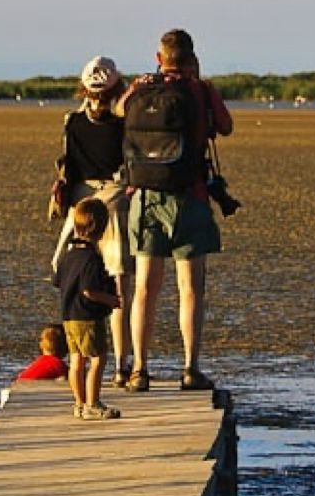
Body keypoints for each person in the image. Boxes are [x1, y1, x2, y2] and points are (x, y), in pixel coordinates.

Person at [119, 28, 233, 393]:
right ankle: (189, 368)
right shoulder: (201, 91)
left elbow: (119, 110)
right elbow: (226, 127)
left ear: (159, 58)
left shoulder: (140, 89)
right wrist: (200, 85)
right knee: (190, 290)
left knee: (144, 290)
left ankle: (139, 369)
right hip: (190, 197)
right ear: (191, 58)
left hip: (145, 197)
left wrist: (140, 85)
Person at [49, 55, 134, 387]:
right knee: (117, 287)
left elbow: (67, 166)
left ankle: (82, 360)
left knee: (71, 275)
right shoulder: (124, 123)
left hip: (81, 205)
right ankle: (121, 364)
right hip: (114, 201)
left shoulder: (71, 121)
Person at [52, 197, 122, 419]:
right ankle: (93, 403)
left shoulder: (68, 255)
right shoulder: (90, 258)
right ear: (101, 229)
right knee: (98, 358)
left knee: (76, 360)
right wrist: (110, 300)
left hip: (68, 316)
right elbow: (89, 290)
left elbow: (57, 281)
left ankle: (79, 404)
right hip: (87, 317)